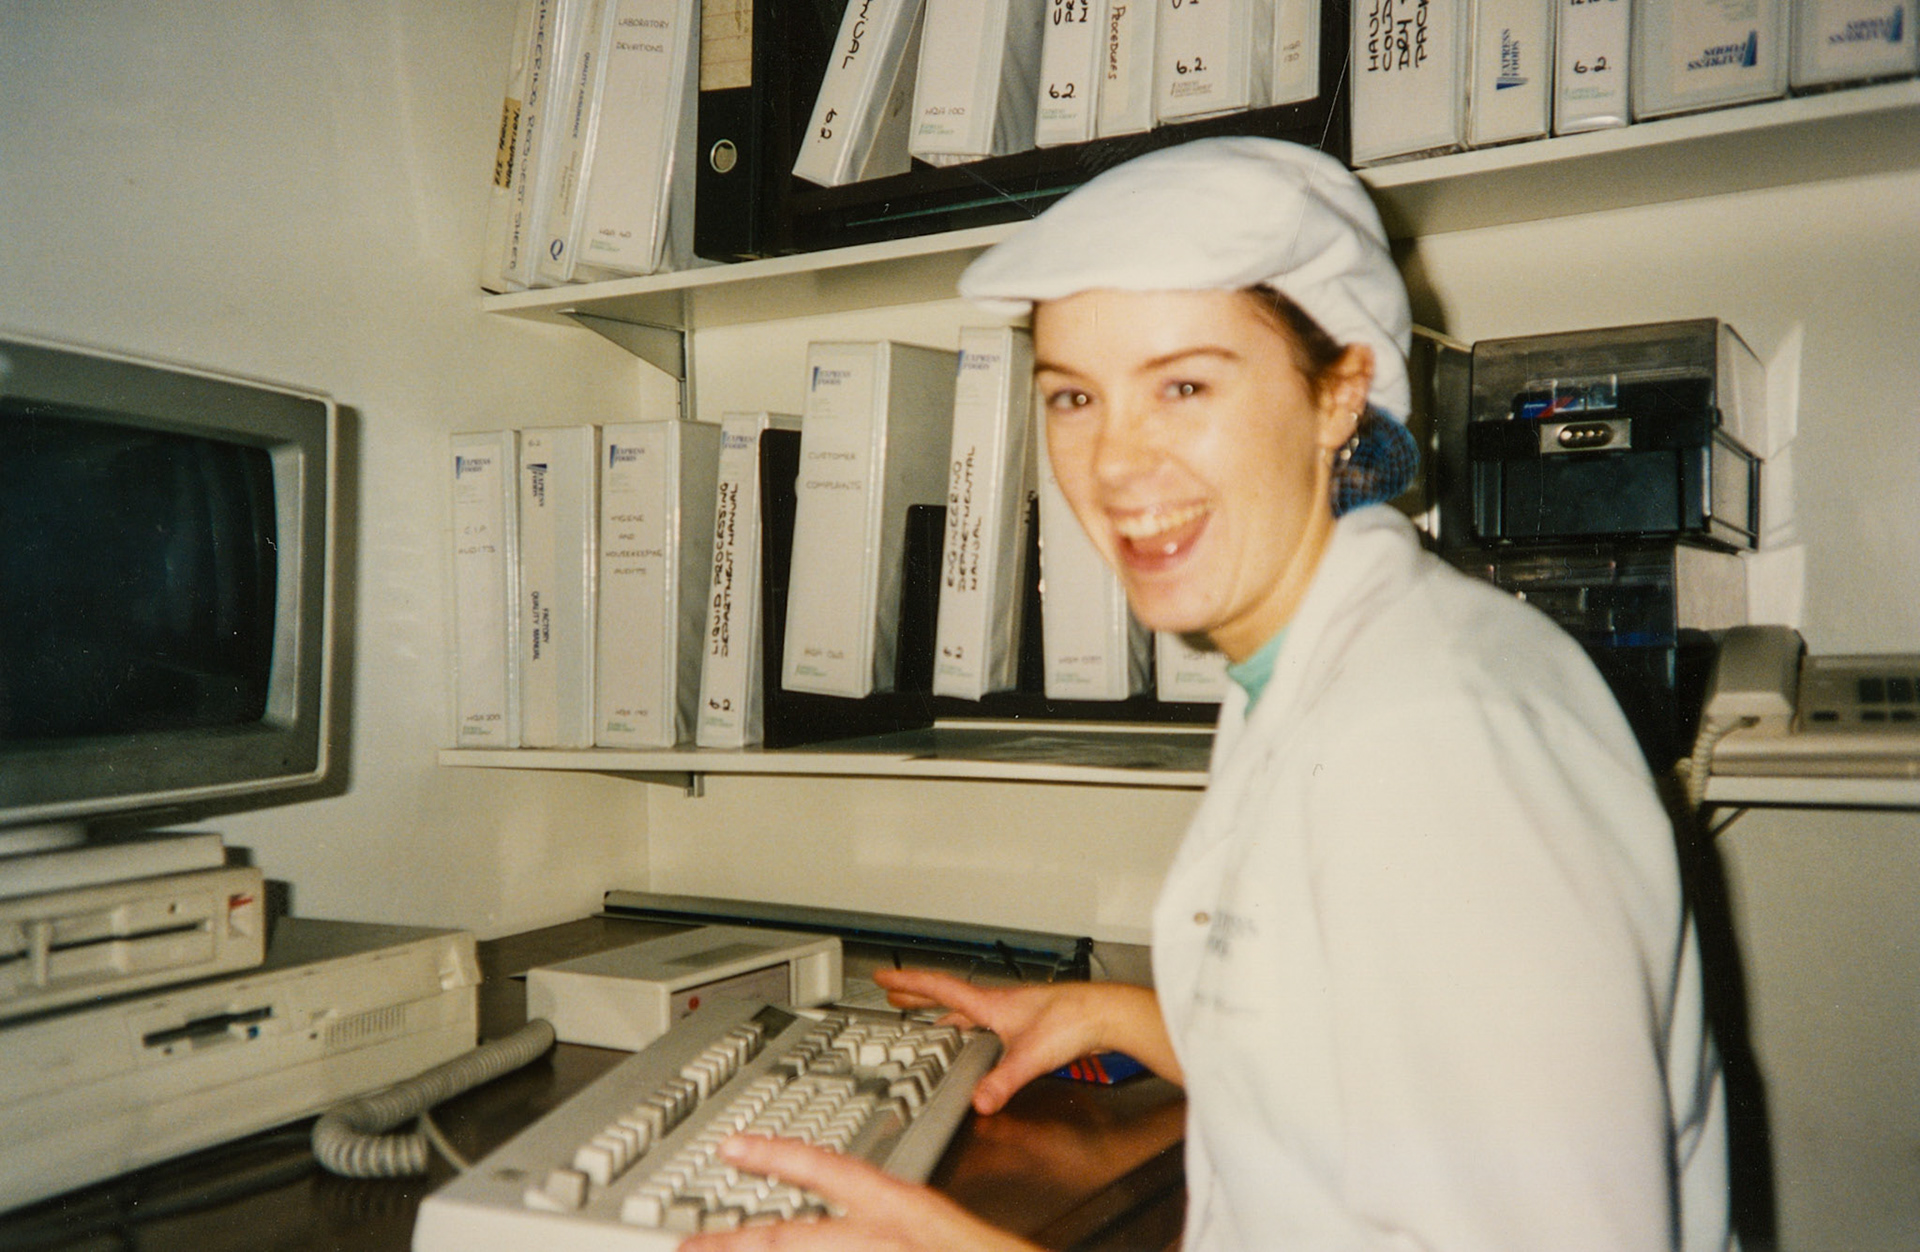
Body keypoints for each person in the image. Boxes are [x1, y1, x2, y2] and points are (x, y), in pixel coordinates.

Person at [684, 137, 1732, 1252]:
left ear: (1340, 394)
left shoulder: (1436, 739)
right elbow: (1381, 1060)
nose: (1118, 464)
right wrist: (1134, 1018)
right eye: (1075, 397)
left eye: (1183, 385)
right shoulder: (1309, 664)